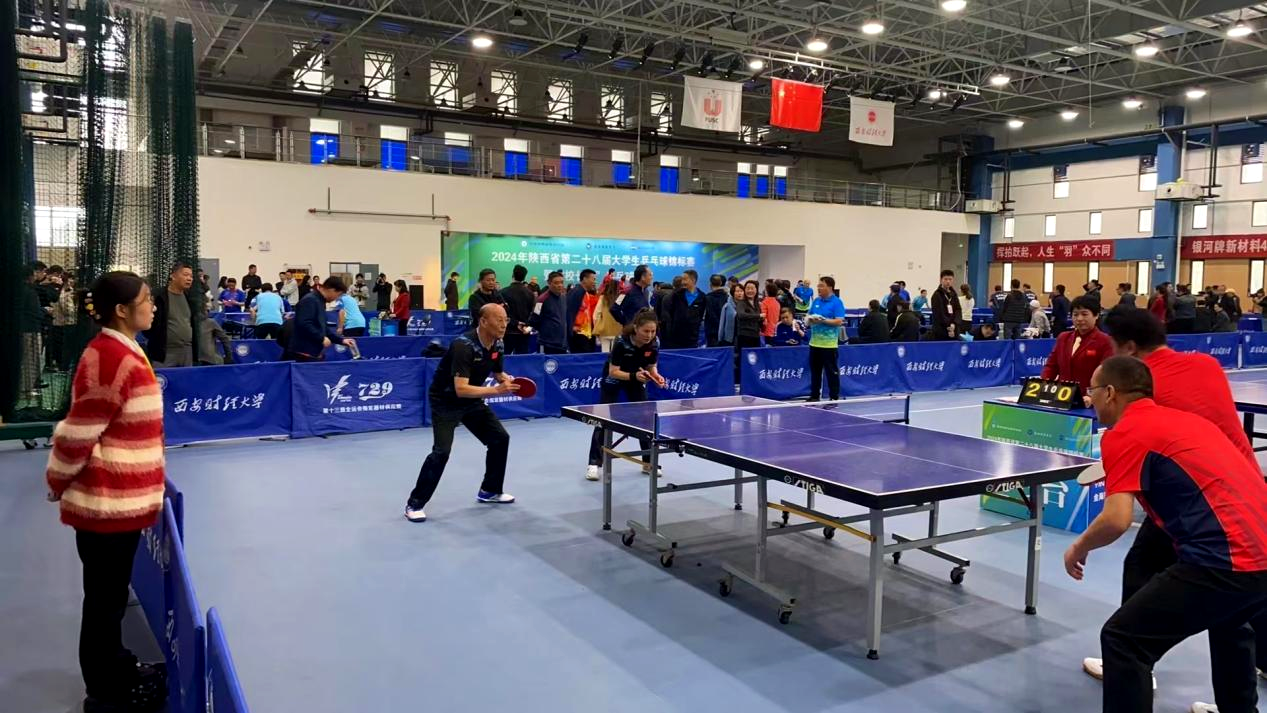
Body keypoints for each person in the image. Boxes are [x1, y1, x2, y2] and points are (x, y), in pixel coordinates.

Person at [1067, 356, 1267, 713]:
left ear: (1110, 393)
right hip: (1261, 549)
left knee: (1124, 640)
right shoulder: (1187, 421)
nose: (1088, 398)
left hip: (1226, 559)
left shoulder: (1123, 433)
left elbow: (1116, 520)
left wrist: (1078, 547)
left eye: (1091, 391)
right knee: (1230, 624)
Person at [45, 271, 168, 713]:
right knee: (104, 601)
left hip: (122, 501)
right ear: (121, 310)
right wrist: (58, 478)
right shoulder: (109, 357)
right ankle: (104, 691)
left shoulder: (124, 350)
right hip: (106, 503)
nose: (153, 306)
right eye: (146, 299)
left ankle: (116, 665)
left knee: (110, 597)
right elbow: (80, 431)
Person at [404, 303, 519, 522]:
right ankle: (414, 503)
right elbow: (461, 389)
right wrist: (497, 390)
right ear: (483, 321)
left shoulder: (498, 343)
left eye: (506, 320)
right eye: (499, 320)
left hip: (471, 400)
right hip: (445, 401)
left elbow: (497, 373)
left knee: (499, 438)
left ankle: (489, 490)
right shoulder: (463, 345)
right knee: (442, 452)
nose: (504, 325)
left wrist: (509, 381)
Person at [584, 309, 668, 481]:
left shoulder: (655, 343)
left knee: (645, 420)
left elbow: (651, 366)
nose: (649, 335)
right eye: (646, 331)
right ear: (636, 328)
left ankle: (648, 462)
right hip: (614, 378)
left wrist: (656, 375)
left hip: (636, 378)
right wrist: (633, 376)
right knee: (603, 420)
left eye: (653, 331)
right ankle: (594, 464)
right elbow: (613, 371)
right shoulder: (621, 342)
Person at [1039, 295, 1111, 394]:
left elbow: (1106, 375)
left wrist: (1092, 396)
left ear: (1096, 315)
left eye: (1084, 314)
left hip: (1089, 398)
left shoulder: (1105, 341)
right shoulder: (1063, 338)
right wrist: (1042, 387)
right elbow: (1051, 367)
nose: (1079, 318)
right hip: (1061, 395)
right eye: (1075, 314)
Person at [143, 262, 200, 368]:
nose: (189, 279)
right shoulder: (158, 296)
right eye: (185, 275)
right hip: (164, 352)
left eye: (191, 276)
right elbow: (147, 324)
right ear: (173, 276)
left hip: (187, 351)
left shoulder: (190, 298)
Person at [288, 277, 355, 362]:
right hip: (304, 352)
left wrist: (341, 340)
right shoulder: (310, 300)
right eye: (338, 295)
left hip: (315, 352)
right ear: (332, 290)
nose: (337, 298)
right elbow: (304, 323)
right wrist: (321, 338)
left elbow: (323, 328)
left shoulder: (320, 302)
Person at [805, 276, 845, 401]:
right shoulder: (816, 301)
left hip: (829, 345)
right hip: (814, 343)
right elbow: (808, 316)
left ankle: (834, 396)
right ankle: (814, 396)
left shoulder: (837, 302)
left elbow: (839, 321)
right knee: (815, 371)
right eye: (818, 285)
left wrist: (823, 320)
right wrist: (809, 320)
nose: (818, 288)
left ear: (830, 287)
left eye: (821, 286)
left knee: (831, 372)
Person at [664, 269, 706, 350]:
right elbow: (670, 313)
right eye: (682, 279)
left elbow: (700, 315)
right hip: (675, 337)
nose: (682, 282)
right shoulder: (676, 295)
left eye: (685, 279)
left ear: (693, 280)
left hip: (692, 338)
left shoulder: (702, 297)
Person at [500, 265, 536, 355]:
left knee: (505, 358)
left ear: (512, 275)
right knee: (522, 359)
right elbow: (532, 313)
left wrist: (514, 323)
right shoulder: (530, 294)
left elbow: (501, 313)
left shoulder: (503, 292)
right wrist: (526, 325)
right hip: (524, 332)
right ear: (524, 277)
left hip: (508, 331)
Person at [532, 271, 570, 354]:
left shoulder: (564, 298)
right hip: (547, 344)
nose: (560, 285)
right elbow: (534, 320)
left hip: (562, 344)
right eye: (556, 283)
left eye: (562, 282)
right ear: (549, 283)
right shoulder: (541, 300)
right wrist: (547, 331)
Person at [567, 269, 598, 353]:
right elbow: (569, 311)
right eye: (593, 279)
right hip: (578, 333)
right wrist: (571, 327)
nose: (594, 282)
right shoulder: (576, 292)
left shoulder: (584, 292)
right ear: (585, 279)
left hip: (585, 333)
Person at [591, 276, 625, 353]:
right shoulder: (620, 298)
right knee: (615, 354)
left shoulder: (603, 298)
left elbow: (596, 315)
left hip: (604, 330)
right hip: (618, 330)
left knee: (604, 353)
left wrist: (597, 326)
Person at [930, 270, 962, 340]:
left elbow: (958, 309)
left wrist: (954, 323)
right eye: (945, 279)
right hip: (942, 330)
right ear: (941, 280)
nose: (948, 281)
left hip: (954, 328)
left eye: (950, 279)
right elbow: (939, 314)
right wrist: (949, 326)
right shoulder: (937, 295)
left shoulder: (954, 294)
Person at [703, 274, 729, 347]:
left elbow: (710, 314)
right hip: (724, 331)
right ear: (721, 283)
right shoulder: (727, 297)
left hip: (712, 331)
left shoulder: (707, 298)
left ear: (710, 284)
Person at [717, 283, 744, 347]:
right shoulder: (727, 306)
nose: (739, 293)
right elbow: (722, 324)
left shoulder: (746, 306)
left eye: (741, 291)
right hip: (729, 339)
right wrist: (720, 338)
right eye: (737, 291)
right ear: (733, 293)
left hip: (743, 338)